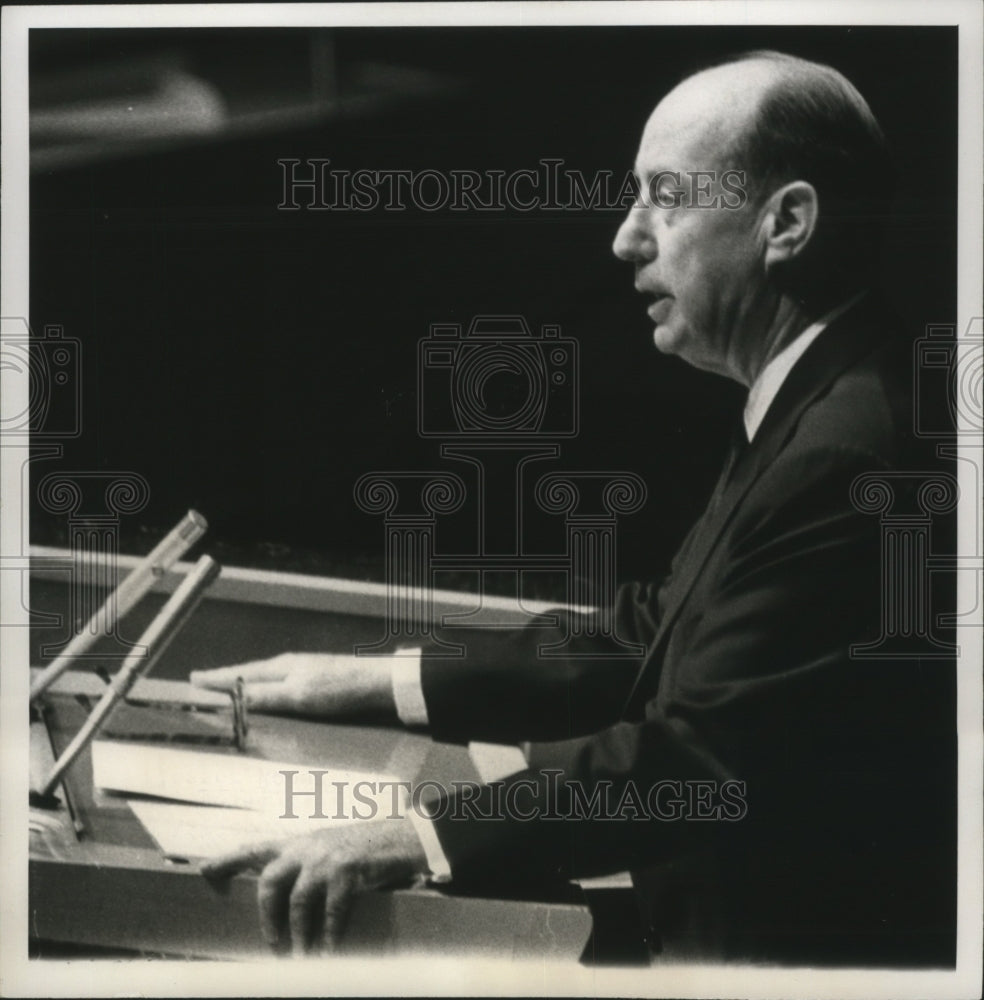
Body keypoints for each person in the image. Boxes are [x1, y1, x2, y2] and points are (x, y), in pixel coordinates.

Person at [192, 51, 955, 965]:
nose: (626, 241)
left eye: (663, 198)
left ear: (784, 222)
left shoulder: (847, 446)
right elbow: (654, 637)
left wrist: (407, 837)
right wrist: (380, 679)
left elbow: (697, 762)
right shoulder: (831, 389)